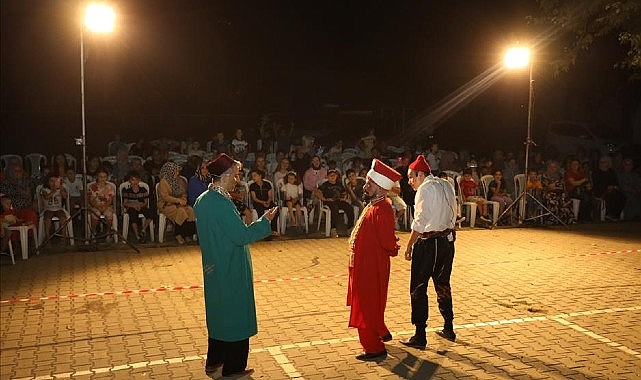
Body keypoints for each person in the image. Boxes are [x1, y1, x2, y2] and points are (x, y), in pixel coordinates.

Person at [193, 153, 279, 378]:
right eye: (236, 174)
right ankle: (234, 367)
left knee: (219, 314)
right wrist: (265, 221)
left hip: (214, 264)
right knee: (236, 315)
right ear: (225, 175)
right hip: (230, 265)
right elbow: (241, 235)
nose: (238, 179)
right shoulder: (221, 203)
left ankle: (214, 361)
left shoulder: (203, 199)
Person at [401, 155, 458, 349]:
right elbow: (453, 211)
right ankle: (449, 326)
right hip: (447, 242)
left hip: (429, 243)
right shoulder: (446, 183)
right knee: (443, 283)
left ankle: (419, 335)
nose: (410, 182)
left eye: (411, 177)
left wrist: (409, 246)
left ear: (420, 174)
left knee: (418, 287)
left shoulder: (425, 188)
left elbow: (420, 221)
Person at [347, 159, 401, 361]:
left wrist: (393, 246)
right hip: (367, 263)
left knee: (367, 304)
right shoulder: (376, 204)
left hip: (371, 266)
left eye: (369, 183)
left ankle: (373, 347)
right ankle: (379, 330)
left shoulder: (382, 208)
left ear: (380, 188)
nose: (365, 185)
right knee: (372, 302)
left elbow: (387, 241)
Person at [157, 161, 196, 245]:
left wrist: (183, 198)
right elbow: (165, 197)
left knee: (190, 210)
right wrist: (178, 200)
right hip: (166, 204)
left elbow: (184, 192)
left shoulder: (179, 180)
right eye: (176, 171)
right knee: (181, 211)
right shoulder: (163, 182)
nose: (178, 173)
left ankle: (186, 234)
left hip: (179, 203)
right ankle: (178, 235)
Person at [315, 169, 354, 236]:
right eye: (330, 175)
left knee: (349, 207)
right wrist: (324, 199)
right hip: (329, 202)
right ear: (327, 176)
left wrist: (344, 197)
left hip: (338, 201)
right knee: (334, 209)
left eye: (334, 175)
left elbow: (344, 192)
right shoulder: (325, 185)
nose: (332, 176)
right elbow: (317, 192)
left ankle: (350, 228)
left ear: (336, 176)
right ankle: (333, 229)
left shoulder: (339, 184)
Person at [121, 171, 154, 243]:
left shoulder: (143, 190)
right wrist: (133, 205)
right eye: (132, 180)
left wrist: (139, 205)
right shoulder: (127, 191)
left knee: (151, 213)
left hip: (141, 206)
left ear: (139, 180)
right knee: (133, 215)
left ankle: (143, 230)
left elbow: (145, 202)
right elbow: (125, 203)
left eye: (136, 180)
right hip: (132, 208)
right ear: (129, 181)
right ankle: (137, 235)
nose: (135, 182)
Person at [39, 175, 70, 241]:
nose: (53, 183)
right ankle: (47, 237)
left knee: (63, 217)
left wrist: (62, 190)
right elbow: (46, 197)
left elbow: (65, 197)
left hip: (58, 208)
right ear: (47, 182)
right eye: (51, 181)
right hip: (48, 209)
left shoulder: (60, 189)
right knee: (47, 218)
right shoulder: (44, 189)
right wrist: (53, 191)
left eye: (55, 181)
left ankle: (63, 237)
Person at [87, 169, 115, 238]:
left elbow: (110, 200)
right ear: (97, 177)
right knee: (96, 214)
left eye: (104, 177)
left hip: (106, 206)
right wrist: (97, 206)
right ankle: (93, 232)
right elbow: (90, 201)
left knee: (109, 215)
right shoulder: (92, 187)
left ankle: (108, 232)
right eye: (100, 177)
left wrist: (105, 206)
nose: (102, 179)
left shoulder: (110, 187)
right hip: (95, 206)